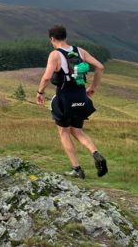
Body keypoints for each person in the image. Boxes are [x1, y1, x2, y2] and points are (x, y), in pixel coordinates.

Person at [35, 25, 108, 179]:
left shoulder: (55, 55)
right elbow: (100, 67)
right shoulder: (80, 51)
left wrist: (40, 92)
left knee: (64, 132)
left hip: (64, 99)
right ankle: (96, 154)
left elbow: (47, 77)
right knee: (77, 131)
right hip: (82, 97)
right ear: (66, 37)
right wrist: (93, 87)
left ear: (52, 39)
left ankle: (77, 169)